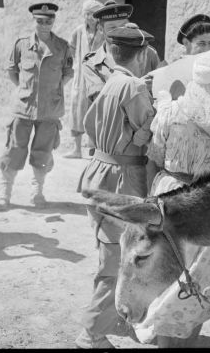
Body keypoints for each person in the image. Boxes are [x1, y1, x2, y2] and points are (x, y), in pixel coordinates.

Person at [133, 48, 210, 347]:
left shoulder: (172, 113)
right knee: (203, 280)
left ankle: (164, 341)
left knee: (168, 274)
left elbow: (156, 155)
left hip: (171, 195)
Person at [75, 26, 156, 349]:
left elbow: (88, 124)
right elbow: (149, 131)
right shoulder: (134, 85)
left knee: (109, 253)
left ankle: (117, 319)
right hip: (123, 177)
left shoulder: (111, 82)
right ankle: (92, 333)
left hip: (99, 170)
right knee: (118, 263)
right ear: (141, 55)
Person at [0, 2, 74, 211]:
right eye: (40, 21)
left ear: (53, 21)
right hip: (23, 108)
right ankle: (4, 193)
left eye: (49, 21)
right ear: (34, 21)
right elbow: (13, 71)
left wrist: (52, 92)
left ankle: (37, 193)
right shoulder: (21, 44)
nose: (44, 25)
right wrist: (26, 90)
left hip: (49, 110)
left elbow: (67, 73)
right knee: (14, 150)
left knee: (43, 152)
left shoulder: (62, 47)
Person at [64, 0, 105, 158]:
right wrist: (74, 65)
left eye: (92, 14)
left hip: (98, 76)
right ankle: (76, 149)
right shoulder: (79, 31)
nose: (89, 17)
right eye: (86, 14)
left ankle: (94, 149)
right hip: (81, 77)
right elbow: (71, 49)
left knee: (96, 110)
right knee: (77, 110)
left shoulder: (103, 32)